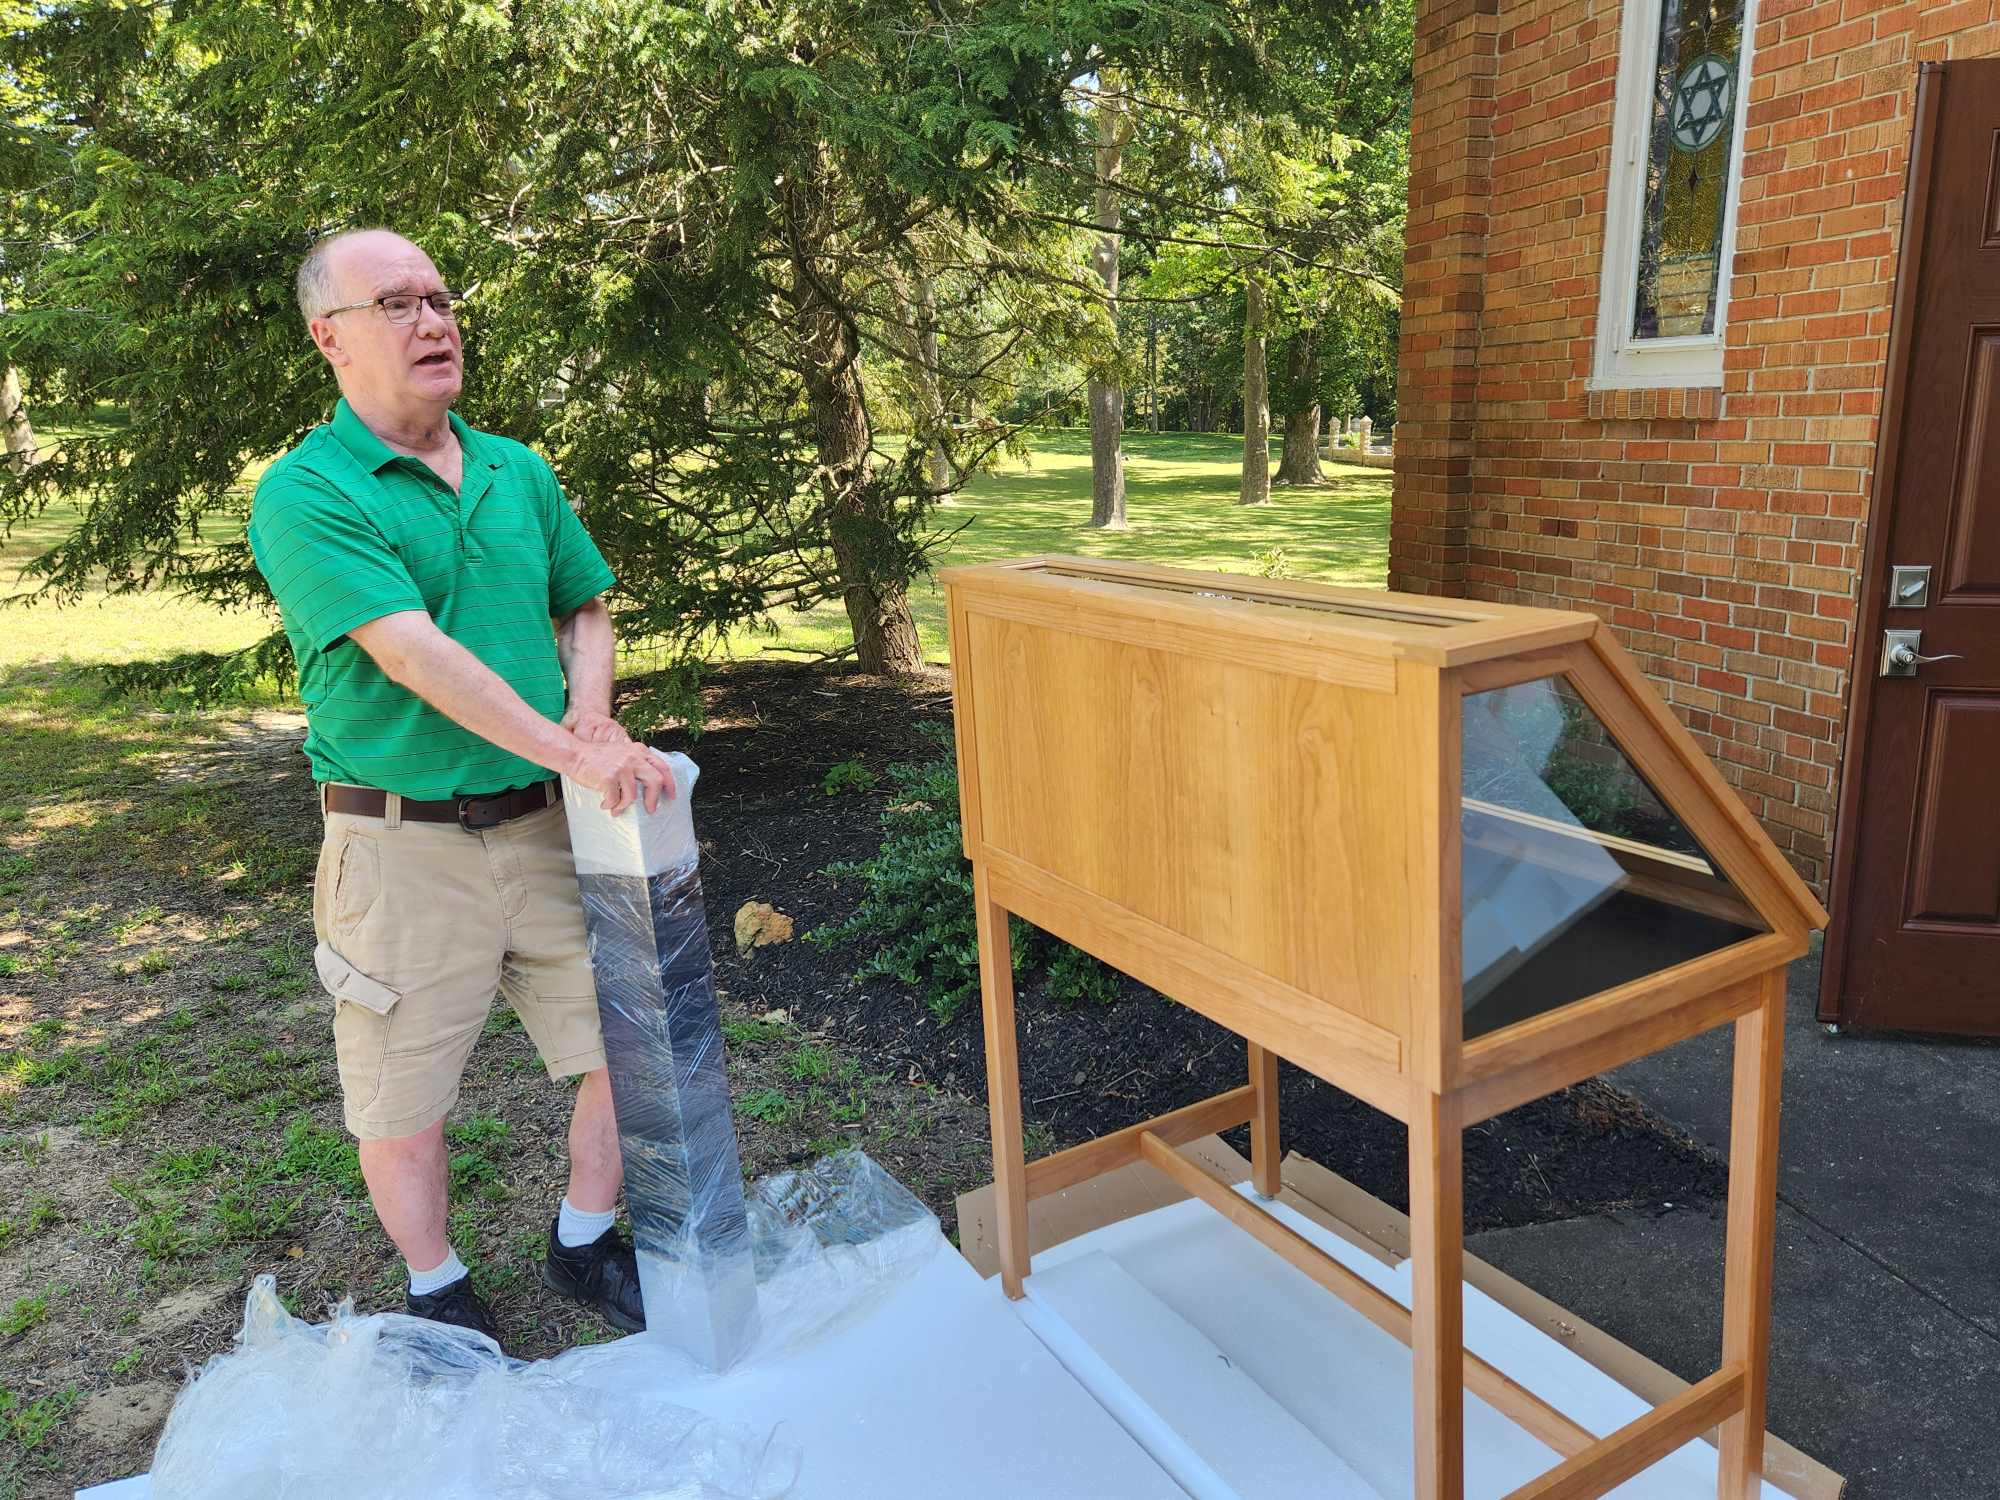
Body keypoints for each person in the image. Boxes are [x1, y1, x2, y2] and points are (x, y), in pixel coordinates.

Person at [249, 227, 672, 1347]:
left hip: (546, 829)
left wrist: (590, 713)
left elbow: (583, 603)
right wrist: (577, 752)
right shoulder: (307, 491)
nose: (433, 321)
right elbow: (411, 654)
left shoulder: (514, 469)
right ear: (329, 337)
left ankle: (585, 1240)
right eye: (396, 303)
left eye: (439, 299)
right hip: (402, 848)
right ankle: (437, 1287)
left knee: (626, 1046)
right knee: (401, 1102)